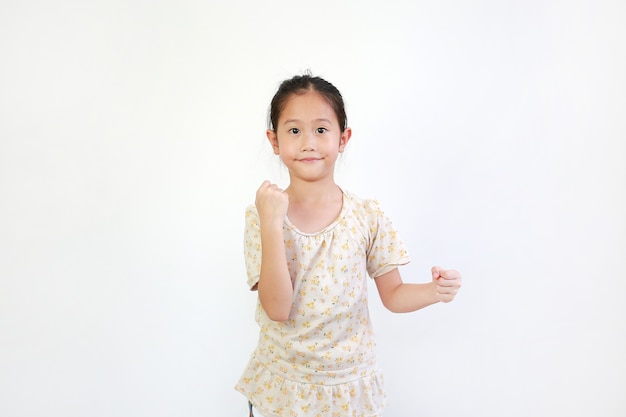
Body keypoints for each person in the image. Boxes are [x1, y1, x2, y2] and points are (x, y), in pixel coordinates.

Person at [235, 73, 462, 417]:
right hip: (284, 388)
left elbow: (394, 295)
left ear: (343, 138)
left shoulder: (367, 216)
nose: (308, 142)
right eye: (294, 130)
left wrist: (435, 290)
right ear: (274, 140)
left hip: (347, 389)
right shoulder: (261, 215)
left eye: (321, 130)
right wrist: (271, 221)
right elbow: (278, 309)